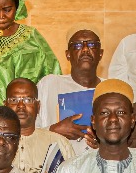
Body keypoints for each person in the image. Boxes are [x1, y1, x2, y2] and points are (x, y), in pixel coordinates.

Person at [36, 29, 103, 157]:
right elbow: (27, 131)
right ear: (67, 55)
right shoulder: (49, 84)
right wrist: (52, 130)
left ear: (101, 53)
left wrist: (104, 143)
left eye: (91, 44)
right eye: (77, 45)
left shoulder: (110, 88)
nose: (85, 49)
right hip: (56, 162)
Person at [4, 77, 73, 173]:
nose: (21, 105)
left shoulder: (60, 144)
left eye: (28, 100)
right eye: (14, 100)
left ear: (38, 106)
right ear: (5, 105)